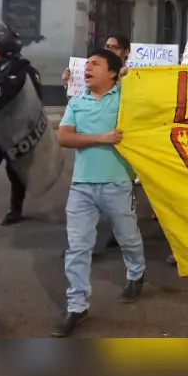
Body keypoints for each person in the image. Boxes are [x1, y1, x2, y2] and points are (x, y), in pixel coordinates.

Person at [53, 48, 146, 337]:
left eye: (96, 63)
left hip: (118, 184)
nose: (87, 67)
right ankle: (77, 305)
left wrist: (135, 79)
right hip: (81, 187)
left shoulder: (125, 99)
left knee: (127, 237)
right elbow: (64, 137)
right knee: (78, 247)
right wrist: (101, 138)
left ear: (113, 73)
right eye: (87, 63)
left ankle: (136, 273)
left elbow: (157, 99)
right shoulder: (77, 102)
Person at [62, 35, 138, 251]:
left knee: (128, 235)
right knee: (79, 239)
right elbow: (76, 118)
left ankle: (133, 265)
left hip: (119, 175)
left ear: (125, 52)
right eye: (107, 46)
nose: (110, 49)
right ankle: (81, 253)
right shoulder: (81, 96)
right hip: (84, 178)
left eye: (114, 47)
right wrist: (68, 85)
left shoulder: (129, 83)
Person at [0, 23, 43, 226]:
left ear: (7, 46)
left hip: (14, 135)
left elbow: (34, 101)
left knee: (16, 173)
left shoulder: (25, 70)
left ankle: (15, 208)